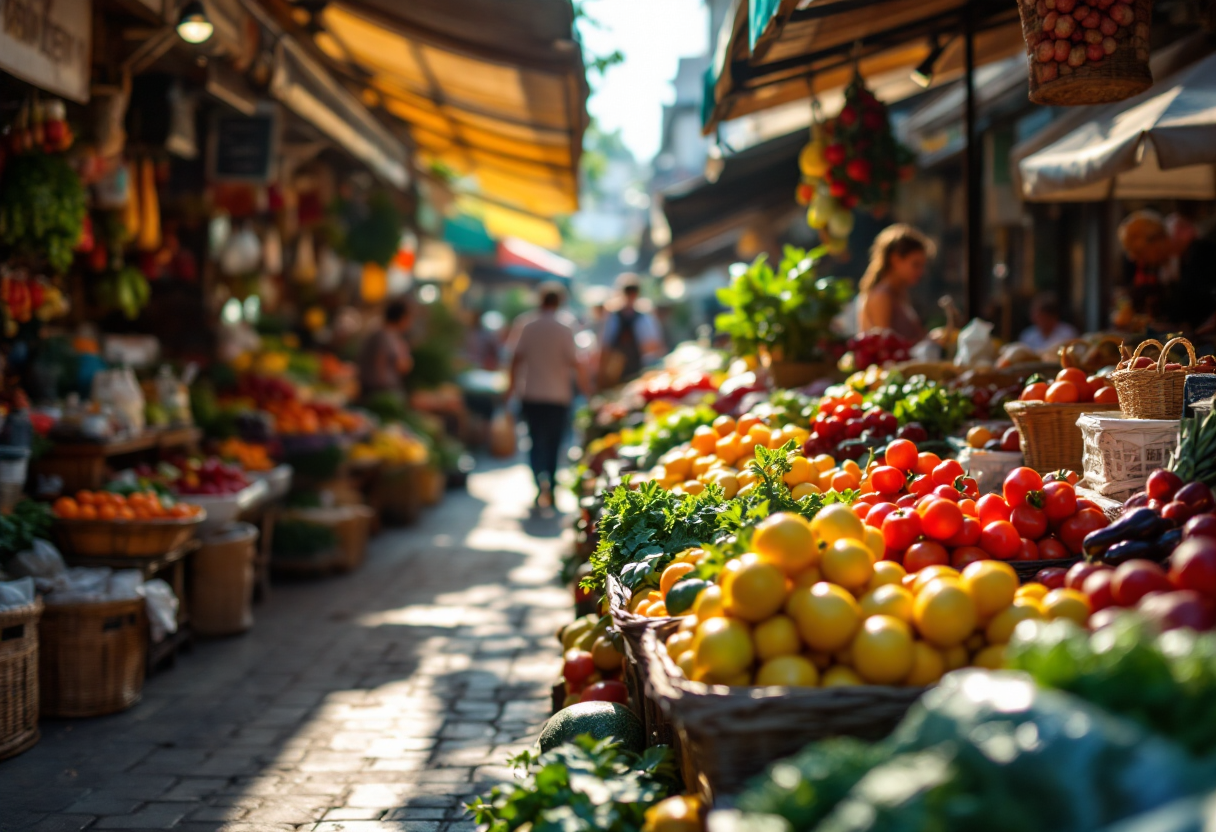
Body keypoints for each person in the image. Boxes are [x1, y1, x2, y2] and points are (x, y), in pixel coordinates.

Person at [506, 284, 589, 510]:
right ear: (560, 301)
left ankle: (538, 484)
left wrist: (510, 389)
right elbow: (575, 362)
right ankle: (550, 486)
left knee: (534, 441)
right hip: (558, 395)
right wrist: (585, 389)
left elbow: (515, 359)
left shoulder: (526, 324)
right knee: (554, 443)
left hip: (531, 393)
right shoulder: (565, 327)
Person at [856, 224, 934, 341]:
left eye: (922, 266)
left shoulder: (900, 293)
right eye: (915, 265)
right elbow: (886, 346)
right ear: (895, 260)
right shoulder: (881, 296)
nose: (921, 272)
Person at [598, 273, 664, 388]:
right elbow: (604, 347)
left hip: (639, 368)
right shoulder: (613, 317)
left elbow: (654, 346)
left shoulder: (644, 317)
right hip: (616, 371)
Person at [358, 299, 413, 398]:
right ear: (402, 318)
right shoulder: (386, 337)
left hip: (373, 388)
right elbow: (399, 366)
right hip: (380, 391)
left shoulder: (379, 334)